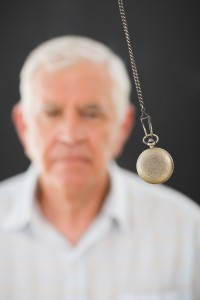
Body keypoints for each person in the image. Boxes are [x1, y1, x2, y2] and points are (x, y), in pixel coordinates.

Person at [0, 35, 199, 300]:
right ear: (24, 126)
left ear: (124, 126)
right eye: (52, 113)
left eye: (91, 114)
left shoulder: (188, 231)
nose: (70, 136)